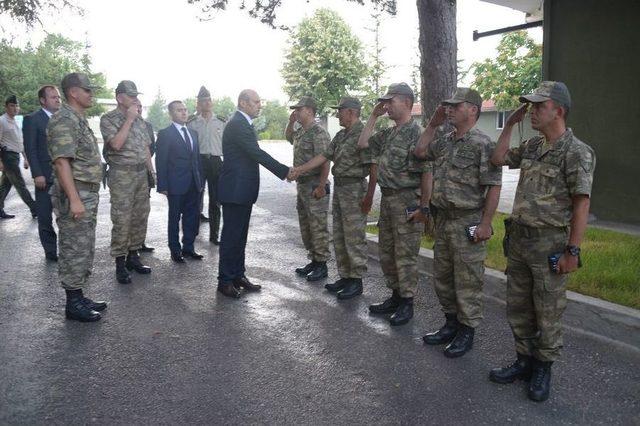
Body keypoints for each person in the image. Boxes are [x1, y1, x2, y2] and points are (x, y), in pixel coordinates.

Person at [488, 81, 595, 402]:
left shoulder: (577, 152)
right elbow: (498, 158)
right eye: (531, 106)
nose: (532, 111)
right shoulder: (534, 146)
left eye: (539, 106)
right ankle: (523, 361)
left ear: (558, 111)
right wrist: (508, 125)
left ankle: (543, 367)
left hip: (549, 243)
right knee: (519, 306)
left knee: (547, 310)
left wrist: (572, 251)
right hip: (519, 241)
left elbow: (581, 203)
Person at [414, 88, 502, 358]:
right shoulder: (446, 140)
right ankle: (450, 324)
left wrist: (486, 224)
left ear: (473, 110)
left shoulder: (483, 144)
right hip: (444, 221)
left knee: (467, 281)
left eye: (456, 106)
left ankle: (467, 331)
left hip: (467, 222)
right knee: (443, 278)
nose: (449, 109)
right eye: (448, 106)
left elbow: (494, 186)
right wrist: (432, 123)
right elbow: (419, 151)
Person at [357, 83, 432, 326]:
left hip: (407, 201)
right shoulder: (389, 134)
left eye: (391, 101)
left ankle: (407, 303)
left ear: (407, 103)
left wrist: (424, 207)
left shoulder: (417, 133)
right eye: (385, 101)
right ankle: (395, 296)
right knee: (387, 253)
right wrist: (373, 115)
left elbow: (427, 173)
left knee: (405, 255)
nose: (386, 105)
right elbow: (363, 143)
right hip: (388, 200)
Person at [292, 96, 375, 299]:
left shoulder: (363, 134)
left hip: (355, 189)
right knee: (340, 235)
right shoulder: (341, 135)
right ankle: (346, 276)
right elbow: (324, 157)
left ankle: (356, 281)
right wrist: (299, 169)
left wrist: (370, 196)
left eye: (340, 110)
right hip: (341, 188)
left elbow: (374, 167)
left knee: (354, 237)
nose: (337, 114)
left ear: (351, 112)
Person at [216, 89, 293, 298]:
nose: (260, 105)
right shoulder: (238, 124)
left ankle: (237, 275)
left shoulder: (241, 123)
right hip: (235, 190)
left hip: (241, 190)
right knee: (232, 236)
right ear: (243, 103)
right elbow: (256, 153)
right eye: (256, 102)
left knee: (239, 236)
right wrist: (284, 171)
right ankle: (224, 281)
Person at [47, 72, 107, 322]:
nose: (90, 94)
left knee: (83, 245)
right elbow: (62, 163)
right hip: (76, 192)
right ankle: (73, 303)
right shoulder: (64, 119)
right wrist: (74, 199)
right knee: (73, 246)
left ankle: (79, 294)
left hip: (85, 192)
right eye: (87, 90)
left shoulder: (77, 119)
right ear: (73, 92)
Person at [100, 80, 154, 284]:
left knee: (140, 216)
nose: (135, 99)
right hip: (121, 174)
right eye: (130, 95)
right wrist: (129, 119)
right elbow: (115, 144)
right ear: (119, 97)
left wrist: (151, 171)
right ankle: (120, 263)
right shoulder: (109, 119)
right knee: (122, 219)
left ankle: (134, 256)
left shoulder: (140, 120)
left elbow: (146, 148)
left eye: (136, 95)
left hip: (141, 174)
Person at [285, 96, 331, 282]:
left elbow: (325, 159)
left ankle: (322, 264)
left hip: (315, 184)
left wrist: (322, 184)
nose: (296, 112)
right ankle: (313, 259)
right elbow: (289, 137)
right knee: (306, 225)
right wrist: (290, 123)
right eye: (295, 109)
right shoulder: (301, 132)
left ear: (310, 111)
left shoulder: (318, 132)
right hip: (303, 186)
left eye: (299, 109)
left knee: (317, 226)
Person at [155, 100, 204, 263]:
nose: (184, 113)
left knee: (192, 217)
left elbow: (197, 159)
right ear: (171, 114)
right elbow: (161, 160)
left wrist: (200, 181)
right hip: (175, 184)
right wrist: (162, 185)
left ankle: (188, 248)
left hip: (193, 183)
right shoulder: (165, 134)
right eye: (179, 110)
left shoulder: (193, 133)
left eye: (185, 110)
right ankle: (175, 250)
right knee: (174, 218)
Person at [23, 86, 62, 261]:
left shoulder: (63, 119)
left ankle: (68, 249)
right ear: (42, 100)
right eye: (53, 97)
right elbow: (30, 149)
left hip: (65, 176)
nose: (57, 100)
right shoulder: (32, 120)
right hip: (44, 177)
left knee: (67, 216)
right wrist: (37, 173)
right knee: (45, 217)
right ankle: (50, 251)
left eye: (58, 97)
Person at [187, 86, 226, 244]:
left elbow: (228, 145)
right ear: (198, 104)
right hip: (199, 161)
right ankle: (193, 233)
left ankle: (214, 235)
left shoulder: (222, 121)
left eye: (209, 100)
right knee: (196, 197)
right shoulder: (192, 123)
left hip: (216, 162)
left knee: (216, 200)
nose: (207, 103)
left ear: (212, 102)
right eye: (203, 101)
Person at [0, 95, 37, 219]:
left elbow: (19, 142)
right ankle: (34, 208)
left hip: (15, 156)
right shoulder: (2, 121)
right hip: (7, 156)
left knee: (6, 185)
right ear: (6, 107)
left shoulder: (16, 121)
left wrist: (25, 158)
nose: (15, 108)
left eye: (17, 105)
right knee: (20, 184)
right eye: (12, 105)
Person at [138, 100, 155, 253]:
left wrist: (150, 170)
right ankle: (128, 247)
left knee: (143, 210)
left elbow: (151, 148)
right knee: (127, 213)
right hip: (125, 175)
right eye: (136, 106)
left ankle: (140, 242)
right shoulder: (117, 122)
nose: (139, 109)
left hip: (144, 173)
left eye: (140, 106)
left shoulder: (147, 126)